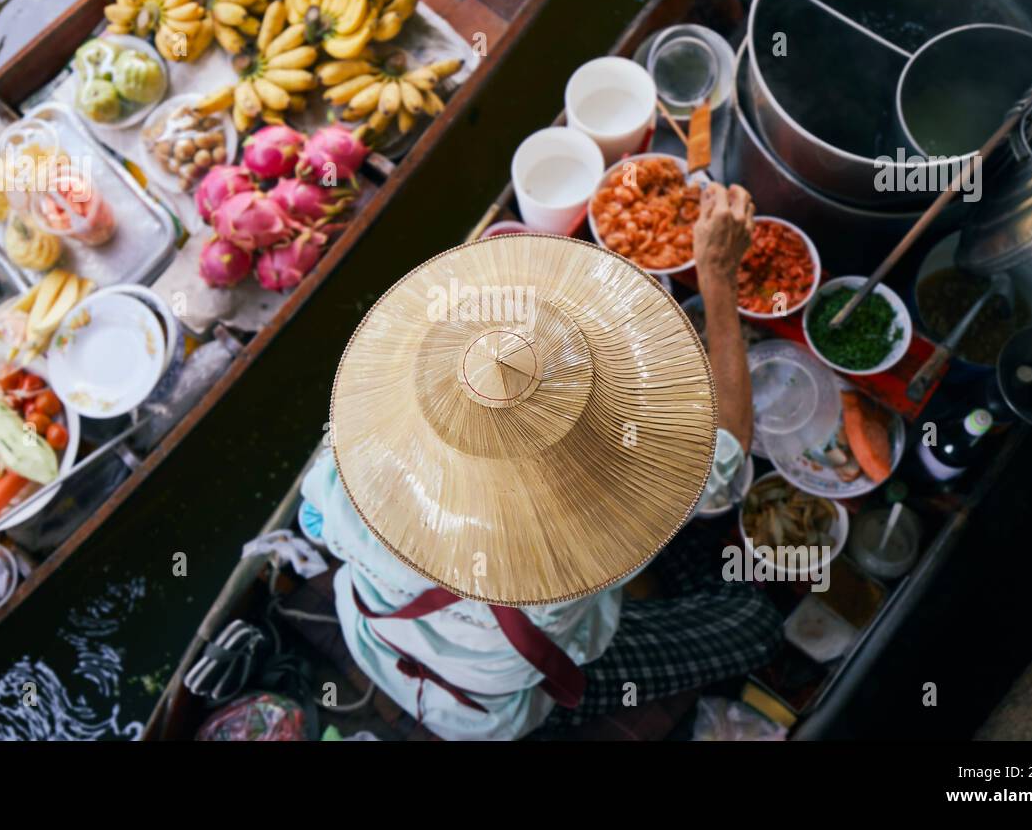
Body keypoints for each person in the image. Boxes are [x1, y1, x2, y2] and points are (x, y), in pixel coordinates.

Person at [301, 183, 781, 740]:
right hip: (498, 707)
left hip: (376, 642)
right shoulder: (594, 534)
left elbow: (314, 520)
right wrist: (717, 278)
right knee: (755, 624)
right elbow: (724, 465)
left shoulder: (350, 467)